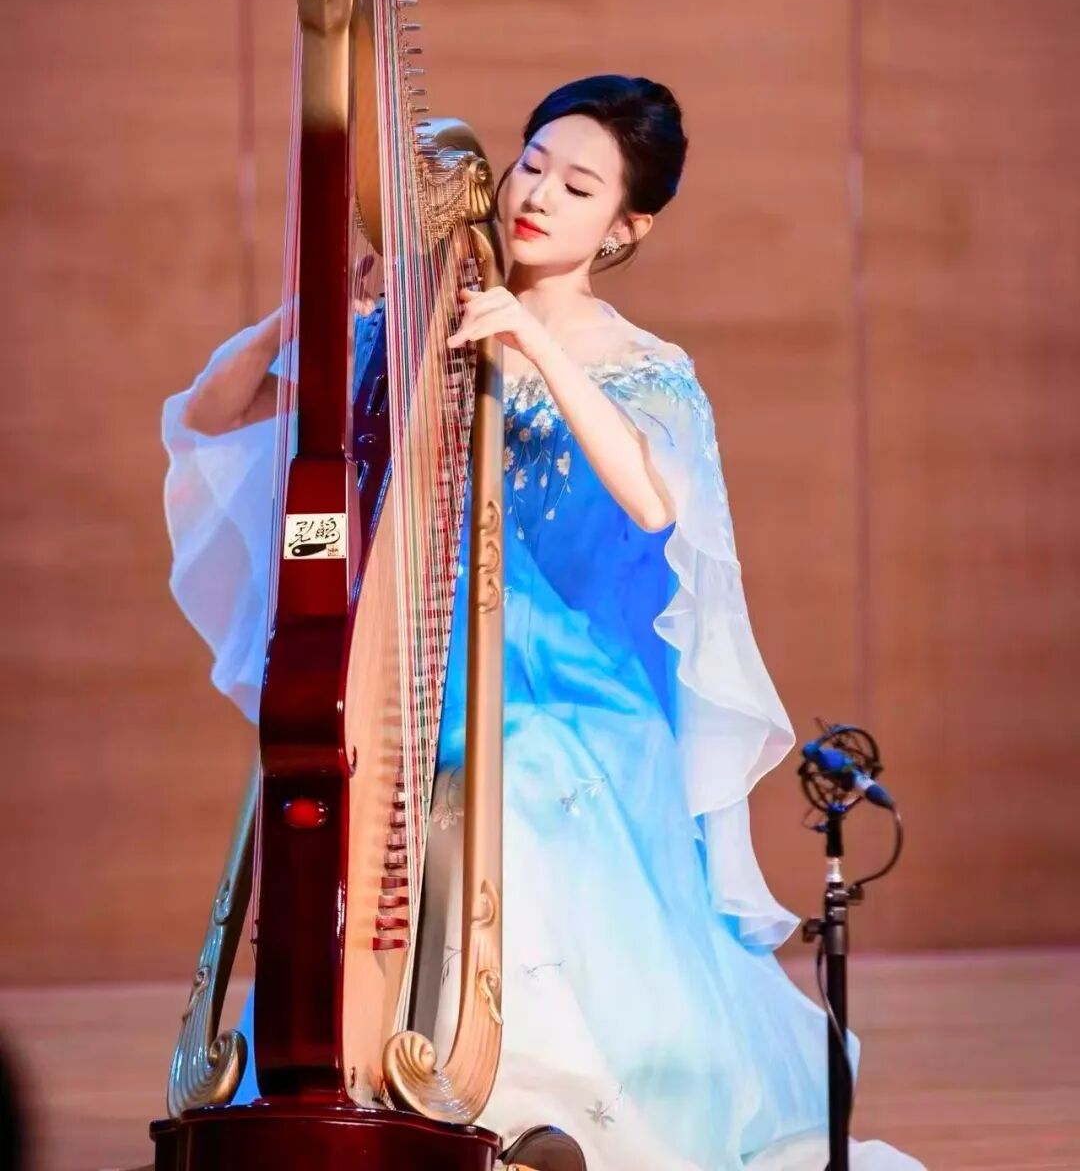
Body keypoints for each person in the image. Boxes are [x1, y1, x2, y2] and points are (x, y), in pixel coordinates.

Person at [163, 75, 924, 1170]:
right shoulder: (421, 330)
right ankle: (370, 1088)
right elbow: (210, 413)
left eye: (577, 187)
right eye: (530, 165)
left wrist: (536, 345)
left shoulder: (641, 365)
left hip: (572, 705)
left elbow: (655, 501)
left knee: (511, 778)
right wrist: (320, 310)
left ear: (625, 227)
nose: (537, 197)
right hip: (420, 680)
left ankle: (505, 1115)